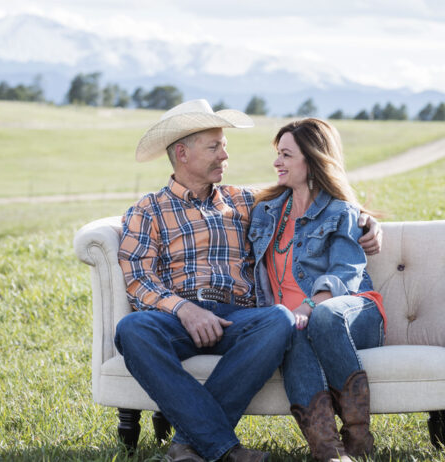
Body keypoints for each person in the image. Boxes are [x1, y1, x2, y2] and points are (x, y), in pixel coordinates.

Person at [115, 100, 382, 462]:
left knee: (280, 320)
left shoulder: (244, 201)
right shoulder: (148, 210)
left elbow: (311, 198)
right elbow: (137, 279)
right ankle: (222, 448)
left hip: (239, 319)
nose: (225, 155)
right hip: (178, 318)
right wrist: (186, 310)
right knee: (132, 329)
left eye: (224, 145)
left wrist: (365, 221)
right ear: (182, 153)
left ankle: (190, 444)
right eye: (215, 147)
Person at [248, 118, 387, 462]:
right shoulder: (266, 212)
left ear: (311, 160)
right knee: (289, 329)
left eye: (286, 155)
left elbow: (344, 273)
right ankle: (329, 452)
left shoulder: (341, 213)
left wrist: (307, 307)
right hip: (298, 322)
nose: (277, 162)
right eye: (277, 154)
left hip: (351, 313)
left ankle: (358, 437)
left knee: (320, 316)